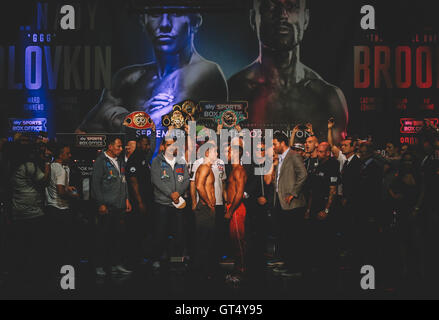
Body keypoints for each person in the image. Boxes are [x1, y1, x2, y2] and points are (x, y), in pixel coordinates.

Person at [77, 7, 228, 134]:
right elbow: (86, 129)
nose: (164, 24)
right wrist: (132, 119)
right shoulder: (129, 77)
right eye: (155, 14)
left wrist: (117, 116)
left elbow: (156, 125)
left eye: (176, 13)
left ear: (194, 21)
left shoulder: (207, 72)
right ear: (144, 20)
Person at [228, 0, 348, 139]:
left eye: (292, 7)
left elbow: (336, 156)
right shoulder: (233, 92)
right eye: (270, 7)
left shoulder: (327, 98)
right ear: (253, 19)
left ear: (306, 19)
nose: (282, 15)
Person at [8, 141, 51, 287]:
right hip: (33, 212)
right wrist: (46, 163)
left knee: (20, 246)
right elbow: (44, 181)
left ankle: (20, 276)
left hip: (17, 210)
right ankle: (34, 278)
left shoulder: (10, 166)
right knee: (35, 246)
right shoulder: (29, 166)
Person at [91, 137, 132, 277]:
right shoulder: (100, 161)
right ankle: (99, 266)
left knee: (118, 238)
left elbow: (124, 180)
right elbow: (95, 184)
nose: (121, 149)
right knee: (103, 238)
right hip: (107, 206)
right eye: (119, 146)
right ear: (110, 146)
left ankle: (116, 264)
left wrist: (127, 199)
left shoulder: (120, 161)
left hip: (120, 205)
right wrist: (100, 203)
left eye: (121, 147)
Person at [151, 136, 190, 270]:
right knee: (160, 233)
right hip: (162, 204)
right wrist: (170, 194)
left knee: (179, 233)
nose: (171, 147)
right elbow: (156, 180)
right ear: (163, 146)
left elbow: (186, 179)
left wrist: (177, 193)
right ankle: (157, 259)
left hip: (178, 203)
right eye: (168, 145)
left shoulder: (180, 161)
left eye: (173, 145)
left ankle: (177, 260)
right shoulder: (157, 161)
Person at [272, 132, 307, 277]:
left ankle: (295, 268)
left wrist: (293, 192)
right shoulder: (281, 157)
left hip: (293, 204)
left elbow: (303, 174)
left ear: (282, 143)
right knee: (286, 236)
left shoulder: (293, 155)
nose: (273, 147)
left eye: (274, 144)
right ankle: (288, 264)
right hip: (282, 203)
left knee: (294, 238)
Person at [305, 142, 339, 284]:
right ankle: (316, 269)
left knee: (327, 241)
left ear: (327, 152)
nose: (317, 154)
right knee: (315, 239)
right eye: (317, 151)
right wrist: (308, 209)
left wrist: (326, 210)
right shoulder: (317, 165)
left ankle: (328, 274)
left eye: (320, 151)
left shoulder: (333, 165)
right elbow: (313, 191)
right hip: (314, 207)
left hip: (325, 209)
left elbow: (333, 190)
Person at [45, 144, 79, 274]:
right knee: (64, 243)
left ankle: (53, 270)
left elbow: (56, 185)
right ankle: (65, 273)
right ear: (60, 155)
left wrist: (66, 188)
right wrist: (74, 195)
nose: (70, 156)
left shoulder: (51, 166)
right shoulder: (60, 169)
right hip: (61, 209)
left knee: (53, 243)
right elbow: (60, 191)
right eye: (67, 153)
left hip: (50, 207)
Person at [192, 142, 218, 278]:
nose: (217, 154)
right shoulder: (204, 168)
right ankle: (202, 272)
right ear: (207, 153)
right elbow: (199, 187)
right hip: (204, 209)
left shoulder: (208, 167)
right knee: (204, 240)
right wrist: (209, 203)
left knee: (206, 239)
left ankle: (204, 270)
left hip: (206, 208)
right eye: (215, 152)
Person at [225, 142, 248, 282]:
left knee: (239, 241)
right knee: (235, 241)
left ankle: (241, 272)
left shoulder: (239, 170)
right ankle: (237, 270)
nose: (227, 154)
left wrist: (231, 210)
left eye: (228, 152)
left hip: (236, 209)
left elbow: (239, 194)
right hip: (232, 208)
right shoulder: (234, 170)